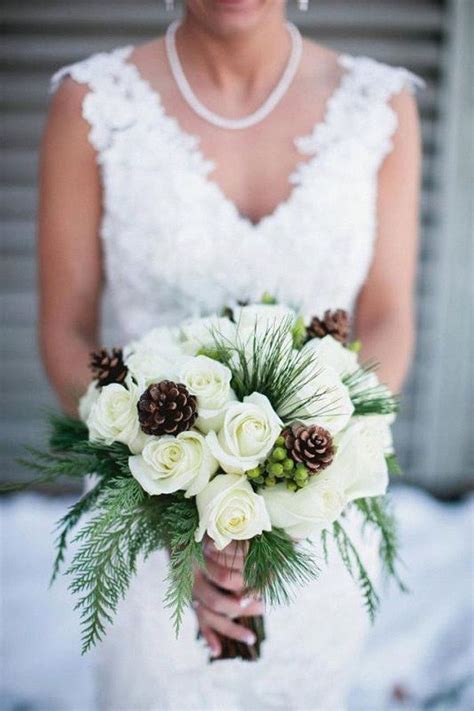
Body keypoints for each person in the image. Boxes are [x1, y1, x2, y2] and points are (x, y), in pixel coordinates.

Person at [38, 0, 422, 708]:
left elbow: (390, 315)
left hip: (321, 515)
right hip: (144, 508)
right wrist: (171, 507)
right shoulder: (91, 105)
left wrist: (322, 456)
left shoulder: (382, 107)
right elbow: (64, 329)